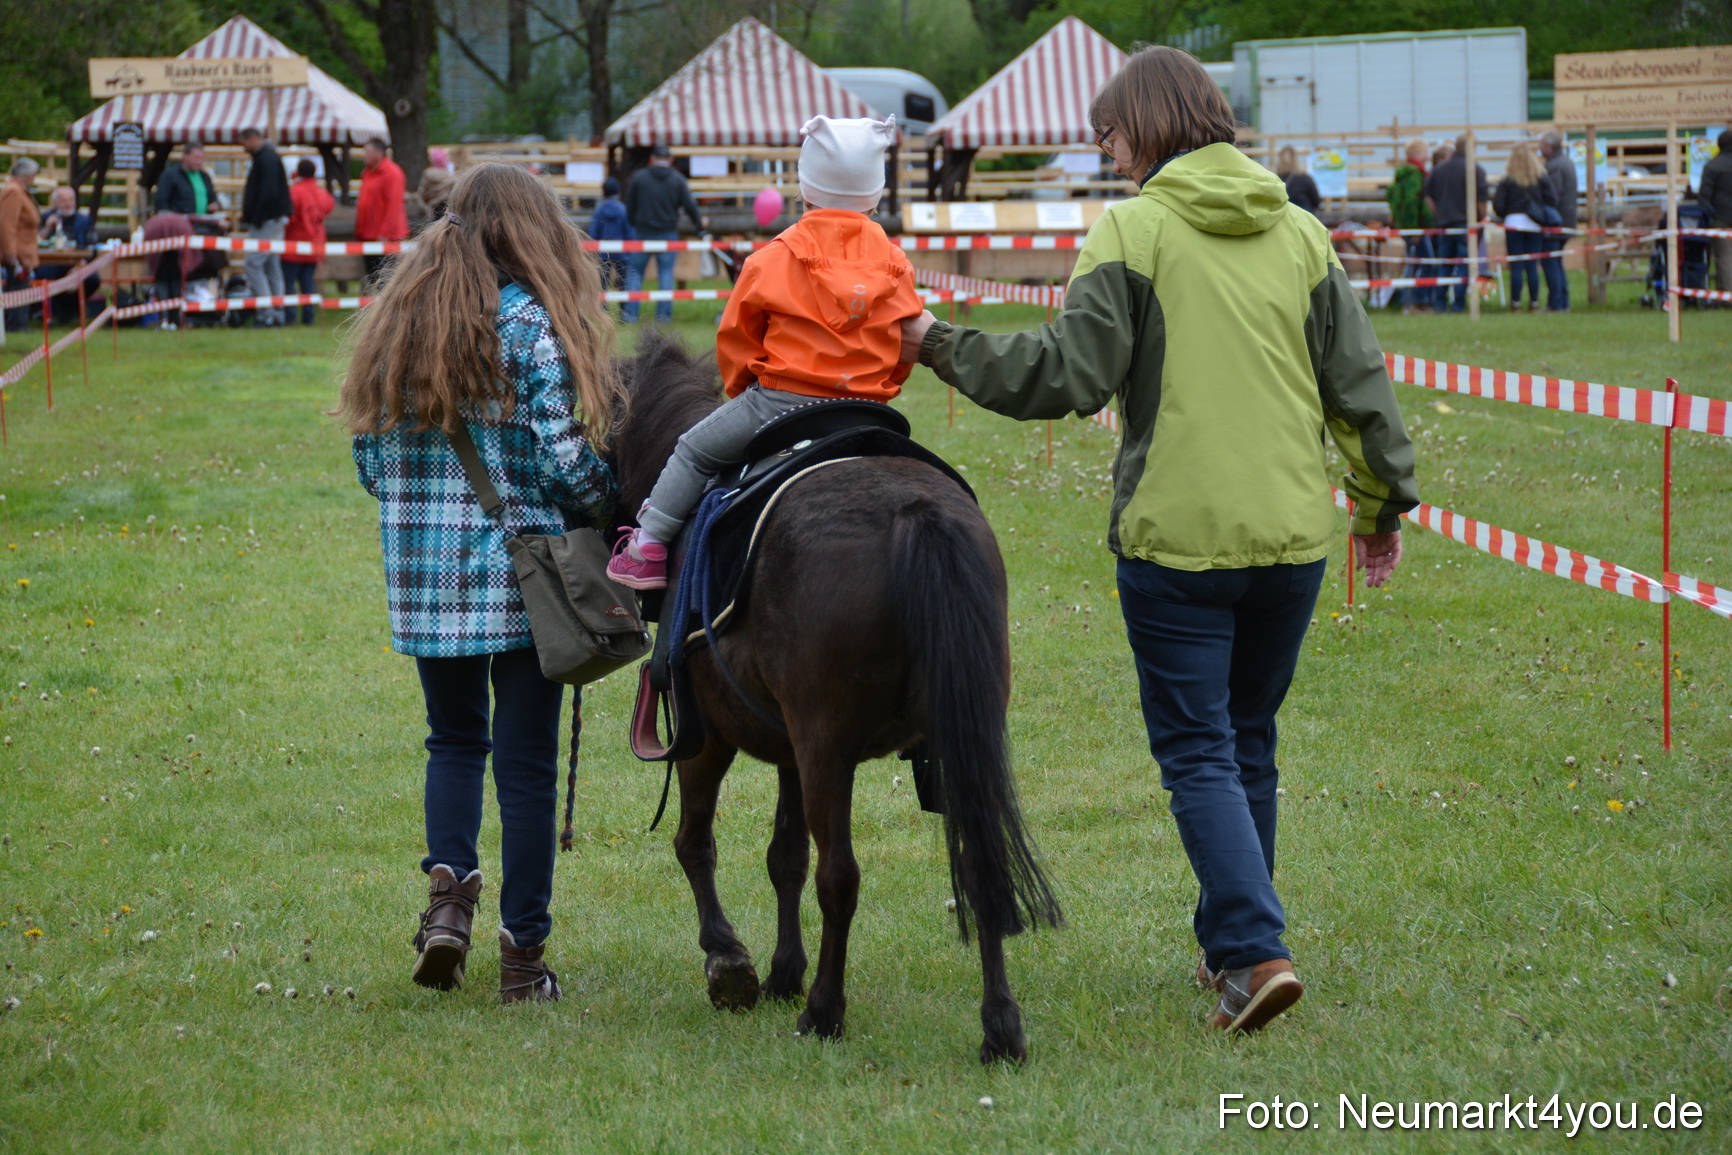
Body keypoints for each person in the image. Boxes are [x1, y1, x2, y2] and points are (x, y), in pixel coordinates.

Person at [901, 47, 1418, 1035]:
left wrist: (938, 343)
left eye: (1108, 130)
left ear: (1148, 122)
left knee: (1198, 751)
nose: (1103, 148)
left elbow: (1064, 376)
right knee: (1245, 741)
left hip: (1175, 543)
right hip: (1288, 542)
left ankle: (1256, 950)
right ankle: (1231, 948)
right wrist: (1377, 509)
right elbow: (1363, 392)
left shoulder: (1128, 233)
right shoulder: (1303, 234)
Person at [336, 164, 621, 1004]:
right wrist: (610, 507)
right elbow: (566, 462)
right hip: (524, 579)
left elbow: (368, 460)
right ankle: (523, 961)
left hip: (425, 582)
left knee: (453, 740)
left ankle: (448, 907)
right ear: (528, 233)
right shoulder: (532, 327)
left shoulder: (397, 325)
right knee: (524, 766)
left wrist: (425, 513)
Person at [607, 115, 919, 590]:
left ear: (806, 189)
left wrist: (740, 389)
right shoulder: (897, 262)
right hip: (866, 409)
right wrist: (882, 387)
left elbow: (736, 338)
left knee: (692, 449)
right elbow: (905, 342)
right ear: (874, 194)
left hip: (778, 402)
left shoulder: (772, 257)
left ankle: (648, 546)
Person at [622, 144, 705, 324]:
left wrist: (633, 223)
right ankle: (663, 317)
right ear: (670, 160)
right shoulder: (678, 179)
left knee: (635, 274)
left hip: (642, 232)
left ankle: (630, 316)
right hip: (667, 233)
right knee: (666, 274)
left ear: (652, 159)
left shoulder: (638, 178)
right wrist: (699, 226)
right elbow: (690, 206)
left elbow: (630, 206)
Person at [1424, 134, 1490, 312]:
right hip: (1466, 225)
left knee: (1444, 265)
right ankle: (1458, 303)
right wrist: (1481, 220)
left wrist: (1438, 215)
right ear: (1472, 147)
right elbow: (1482, 201)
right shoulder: (1476, 169)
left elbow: (1428, 196)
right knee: (1464, 266)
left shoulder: (1438, 170)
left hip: (1445, 225)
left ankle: (1439, 302)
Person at [1493, 144, 1558, 313]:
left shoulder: (1507, 179)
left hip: (1513, 223)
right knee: (1532, 266)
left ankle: (1515, 304)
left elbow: (1498, 206)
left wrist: (1509, 210)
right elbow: (1552, 199)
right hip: (1534, 224)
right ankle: (1534, 303)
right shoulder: (1540, 176)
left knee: (1516, 266)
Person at [238, 128, 293, 327]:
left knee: (253, 264)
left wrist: (257, 216)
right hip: (274, 219)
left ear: (252, 139)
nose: (243, 147)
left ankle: (266, 312)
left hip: (267, 220)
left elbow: (268, 191)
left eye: (243, 142)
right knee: (272, 265)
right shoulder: (268, 157)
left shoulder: (265, 158)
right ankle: (278, 312)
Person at [36, 187, 100, 325]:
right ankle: (56, 311)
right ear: (55, 202)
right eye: (63, 200)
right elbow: (36, 243)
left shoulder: (85, 221)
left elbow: (92, 248)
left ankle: (70, 308)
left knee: (93, 279)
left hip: (77, 264)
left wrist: (81, 264)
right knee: (43, 275)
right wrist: (47, 228)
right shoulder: (46, 218)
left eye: (71, 200)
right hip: (52, 264)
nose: (68, 203)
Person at [1385, 140, 1436, 312]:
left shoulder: (1402, 174)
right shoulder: (1415, 174)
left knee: (1413, 263)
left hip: (1407, 226)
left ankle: (1409, 302)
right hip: (1415, 228)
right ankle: (1417, 301)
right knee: (1427, 263)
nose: (1428, 156)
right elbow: (1412, 203)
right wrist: (1415, 228)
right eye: (1425, 152)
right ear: (1416, 153)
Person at [283, 159, 335, 326]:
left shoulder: (294, 192)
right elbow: (330, 205)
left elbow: (289, 216)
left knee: (289, 284)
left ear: (298, 172)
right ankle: (308, 317)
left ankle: (290, 316)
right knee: (308, 283)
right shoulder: (322, 193)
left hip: (293, 245)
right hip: (314, 245)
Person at [354, 138, 409, 287]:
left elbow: (394, 206)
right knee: (373, 279)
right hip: (368, 235)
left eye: (367, 151)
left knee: (386, 281)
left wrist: (384, 234)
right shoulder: (367, 172)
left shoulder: (392, 173)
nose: (364, 154)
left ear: (379, 152)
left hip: (385, 237)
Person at [1537, 130, 1577, 311]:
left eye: (1542, 145)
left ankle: (1556, 303)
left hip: (1556, 222)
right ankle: (1562, 301)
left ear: (1550, 147)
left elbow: (1552, 195)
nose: (1540, 149)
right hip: (1567, 220)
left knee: (1551, 262)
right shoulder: (1565, 162)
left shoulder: (1554, 166)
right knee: (1556, 261)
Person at [1, 158, 41, 334]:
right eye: (33, 175)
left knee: (21, 285)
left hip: (23, 249)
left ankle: (18, 323)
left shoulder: (19, 191)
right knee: (17, 286)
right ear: (26, 175)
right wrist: (10, 252)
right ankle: (16, 325)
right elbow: (6, 223)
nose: (34, 179)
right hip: (17, 251)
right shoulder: (13, 191)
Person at [1698, 129, 1732, 299]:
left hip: (1721, 218)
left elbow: (1704, 197)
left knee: (1725, 259)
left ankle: (1727, 297)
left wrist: (1709, 215)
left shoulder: (1712, 166)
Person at [587, 176, 633, 296]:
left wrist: (594, 250)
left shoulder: (599, 210)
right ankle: (624, 310)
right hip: (621, 252)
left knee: (603, 283)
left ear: (604, 192)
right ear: (618, 192)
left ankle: (602, 310)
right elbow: (629, 232)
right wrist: (629, 251)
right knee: (623, 283)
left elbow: (594, 231)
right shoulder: (623, 209)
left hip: (603, 252)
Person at [153, 143, 224, 221]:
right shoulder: (170, 175)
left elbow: (212, 197)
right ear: (185, 156)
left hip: (203, 222)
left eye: (201, 158)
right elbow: (161, 202)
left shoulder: (204, 176)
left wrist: (215, 204)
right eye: (196, 158)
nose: (199, 162)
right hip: (180, 223)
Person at [408, 164, 456, 231]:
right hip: (444, 204)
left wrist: (426, 205)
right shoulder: (449, 176)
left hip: (432, 207)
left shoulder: (427, 174)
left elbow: (422, 191)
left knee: (433, 226)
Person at [1275, 146, 1321, 215]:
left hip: (1283, 220)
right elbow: (1316, 201)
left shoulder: (1275, 180)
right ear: (1296, 160)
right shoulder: (1305, 179)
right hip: (1304, 219)